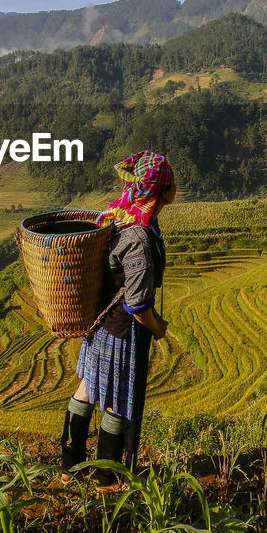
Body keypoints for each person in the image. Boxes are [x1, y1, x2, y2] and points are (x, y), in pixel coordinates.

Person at [60, 150, 174, 487]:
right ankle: (105, 476)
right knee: (116, 402)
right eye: (172, 182)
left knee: (88, 389)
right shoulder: (139, 237)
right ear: (164, 190)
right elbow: (138, 306)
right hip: (122, 331)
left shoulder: (127, 219)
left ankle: (71, 466)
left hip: (103, 324)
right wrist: (159, 328)